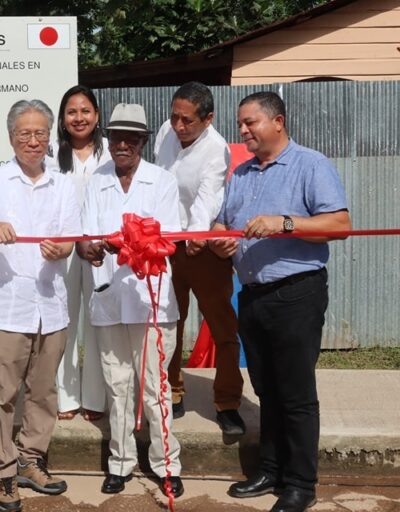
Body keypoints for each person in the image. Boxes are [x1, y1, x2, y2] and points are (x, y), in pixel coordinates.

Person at [211, 92, 350, 512]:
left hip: (296, 293)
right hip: (252, 295)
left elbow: (340, 224)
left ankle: (301, 483)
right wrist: (219, 239)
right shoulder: (242, 174)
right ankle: (270, 469)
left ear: (278, 122)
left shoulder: (311, 165)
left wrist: (284, 223)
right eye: (240, 123)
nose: (243, 130)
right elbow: (222, 221)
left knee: (295, 393)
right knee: (267, 389)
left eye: (250, 122)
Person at [0, 99, 80, 512]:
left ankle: (31, 459)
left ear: (50, 137)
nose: (33, 141)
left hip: (50, 306)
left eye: (40, 133)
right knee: (3, 396)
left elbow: (71, 239)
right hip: (4, 308)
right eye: (24, 133)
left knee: (44, 392)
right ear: (11, 137)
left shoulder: (63, 184)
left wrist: (62, 249)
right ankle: (5, 471)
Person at [78, 103, 183, 497]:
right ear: (108, 140)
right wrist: (89, 249)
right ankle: (120, 463)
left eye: (131, 138)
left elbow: (168, 240)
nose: (122, 145)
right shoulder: (97, 182)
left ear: (142, 142)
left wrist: (127, 244)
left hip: (150, 299)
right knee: (117, 385)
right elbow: (85, 237)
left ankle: (166, 465)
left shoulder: (162, 181)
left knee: (155, 388)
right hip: (109, 297)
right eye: (116, 137)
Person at [153, 81, 245, 434]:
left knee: (222, 326)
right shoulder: (165, 133)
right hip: (166, 245)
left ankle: (227, 402)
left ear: (208, 119)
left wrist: (196, 235)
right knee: (169, 323)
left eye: (187, 120)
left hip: (204, 246)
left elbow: (208, 196)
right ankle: (173, 391)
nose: (178, 125)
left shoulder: (216, 150)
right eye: (174, 116)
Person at [47, 85, 109, 422]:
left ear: (96, 115)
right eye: (72, 112)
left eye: (85, 111)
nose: (79, 117)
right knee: (65, 321)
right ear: (63, 119)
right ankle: (67, 396)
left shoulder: (110, 153)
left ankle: (96, 398)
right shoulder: (51, 155)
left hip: (102, 248)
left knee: (99, 321)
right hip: (64, 248)